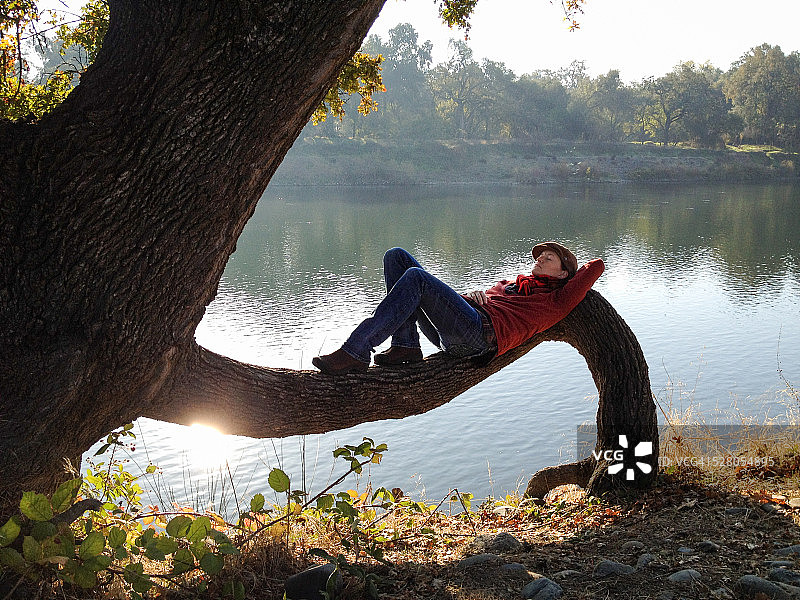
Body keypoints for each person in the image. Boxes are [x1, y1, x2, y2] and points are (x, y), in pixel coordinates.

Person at [312, 242, 605, 375]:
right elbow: (463, 303)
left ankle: (356, 349)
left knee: (416, 278)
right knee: (396, 257)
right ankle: (406, 346)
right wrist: (471, 294)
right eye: (541, 256)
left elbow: (596, 267)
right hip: (463, 324)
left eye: (549, 258)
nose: (540, 259)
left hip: (478, 339)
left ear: (564, 274)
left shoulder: (556, 299)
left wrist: (572, 268)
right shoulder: (512, 283)